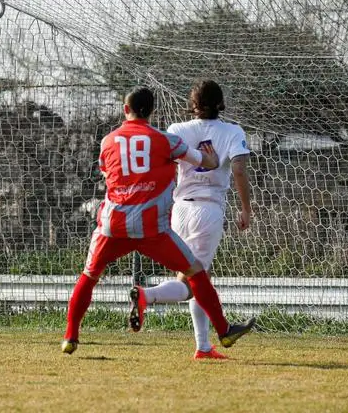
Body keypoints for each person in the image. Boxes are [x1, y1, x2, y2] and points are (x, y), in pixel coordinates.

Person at [61, 86, 255, 355]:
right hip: (157, 225)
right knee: (196, 274)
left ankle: (70, 336)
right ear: (152, 112)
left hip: (115, 224)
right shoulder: (166, 139)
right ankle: (220, 330)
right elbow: (213, 163)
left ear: (125, 109)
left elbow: (108, 173)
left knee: (89, 275)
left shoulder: (108, 141)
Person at [133, 79, 253, 360]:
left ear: (193, 104)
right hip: (207, 211)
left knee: (199, 278)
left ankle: (203, 347)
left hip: (179, 210)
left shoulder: (177, 130)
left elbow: (160, 164)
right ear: (221, 103)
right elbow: (238, 169)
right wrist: (246, 208)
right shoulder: (232, 131)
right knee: (192, 283)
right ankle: (145, 296)